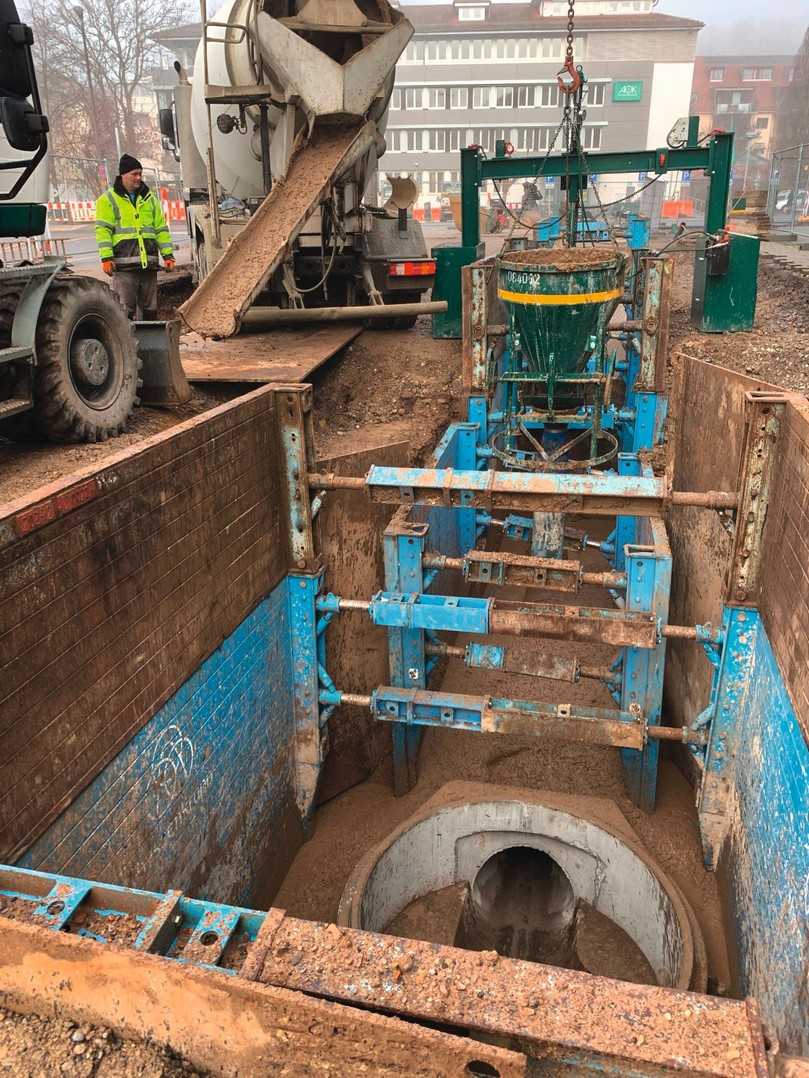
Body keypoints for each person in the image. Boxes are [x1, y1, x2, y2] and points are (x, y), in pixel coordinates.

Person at [94, 154, 175, 320]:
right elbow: (103, 230)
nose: (138, 177)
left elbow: (161, 229)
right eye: (134, 174)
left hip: (149, 266)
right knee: (125, 311)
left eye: (140, 174)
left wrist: (168, 255)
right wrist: (106, 258)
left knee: (151, 310)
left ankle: (150, 337)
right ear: (123, 175)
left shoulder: (149, 199)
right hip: (124, 267)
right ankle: (128, 338)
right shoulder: (108, 199)